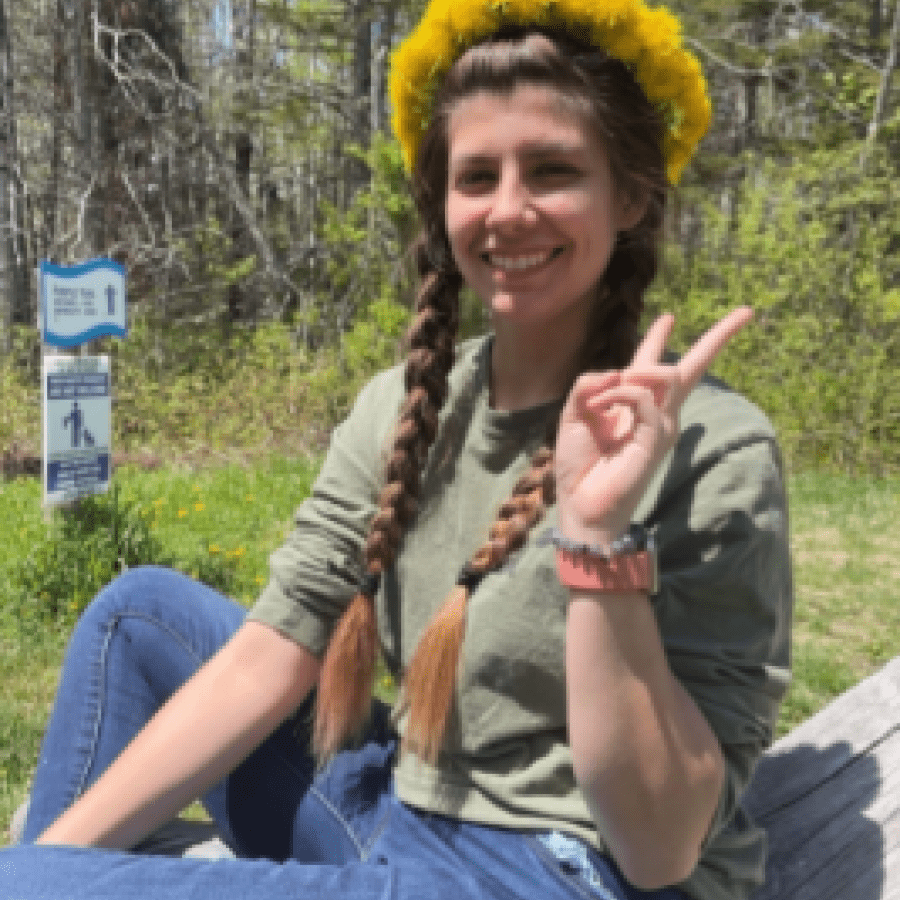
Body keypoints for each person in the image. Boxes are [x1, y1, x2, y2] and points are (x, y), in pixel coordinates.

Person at [1, 1, 792, 898]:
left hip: (563, 872)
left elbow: (662, 850)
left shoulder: (713, 447)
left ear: (632, 196)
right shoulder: (407, 404)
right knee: (137, 618)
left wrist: (599, 541)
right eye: (477, 176)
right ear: (440, 202)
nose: (509, 210)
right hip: (402, 818)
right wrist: (43, 868)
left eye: (554, 170)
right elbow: (277, 647)